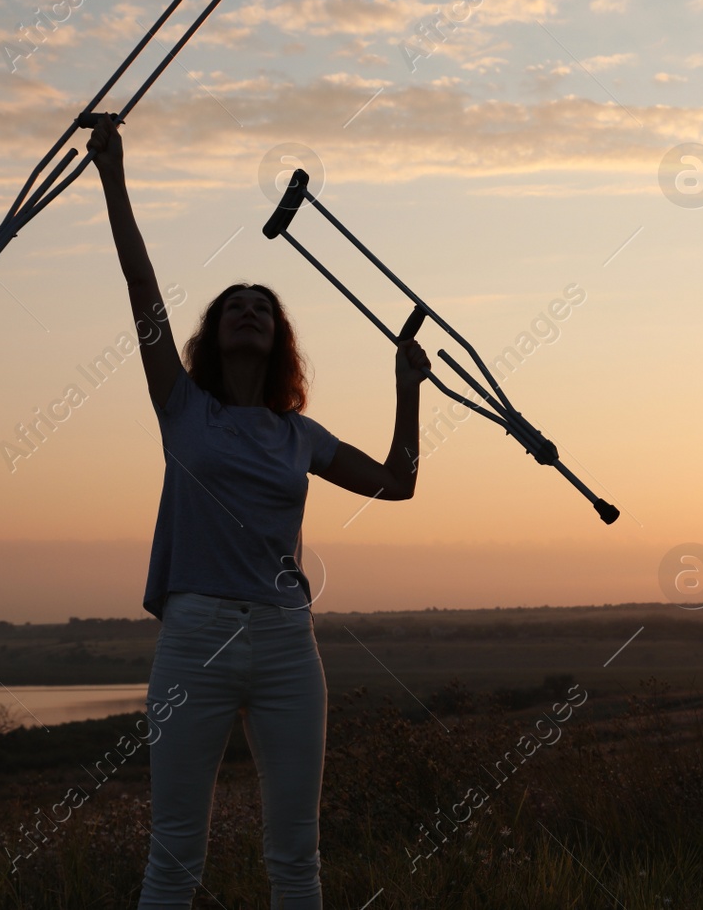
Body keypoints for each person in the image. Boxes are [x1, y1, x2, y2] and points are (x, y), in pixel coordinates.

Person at [86, 115, 429, 909]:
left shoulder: (297, 434)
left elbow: (397, 483)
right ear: (211, 332)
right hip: (195, 634)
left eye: (263, 306)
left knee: (296, 856)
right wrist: (113, 176)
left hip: (284, 639)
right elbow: (142, 286)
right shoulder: (181, 406)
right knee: (174, 855)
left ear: (278, 340)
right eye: (234, 302)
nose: (248, 308)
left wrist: (407, 389)